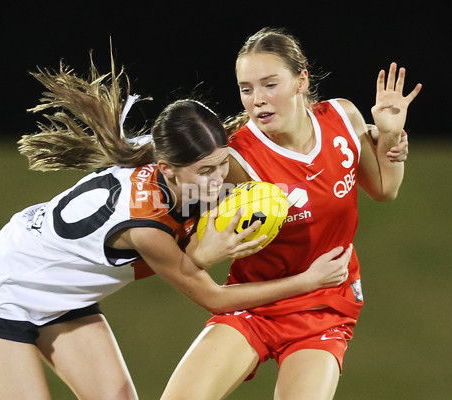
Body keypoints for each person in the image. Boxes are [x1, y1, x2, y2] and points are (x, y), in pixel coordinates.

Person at [0, 52, 355, 400]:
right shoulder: (145, 225)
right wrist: (309, 281)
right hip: (5, 291)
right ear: (168, 171)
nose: (218, 181)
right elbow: (213, 298)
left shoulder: (176, 154)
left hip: (63, 296)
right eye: (206, 172)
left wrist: (382, 139)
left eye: (221, 166)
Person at [161, 27, 422, 400]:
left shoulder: (342, 117)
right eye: (246, 89)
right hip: (254, 304)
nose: (257, 100)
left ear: (302, 80)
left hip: (324, 307)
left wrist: (391, 137)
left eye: (270, 84)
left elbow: (384, 189)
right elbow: (195, 256)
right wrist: (205, 250)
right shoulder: (235, 158)